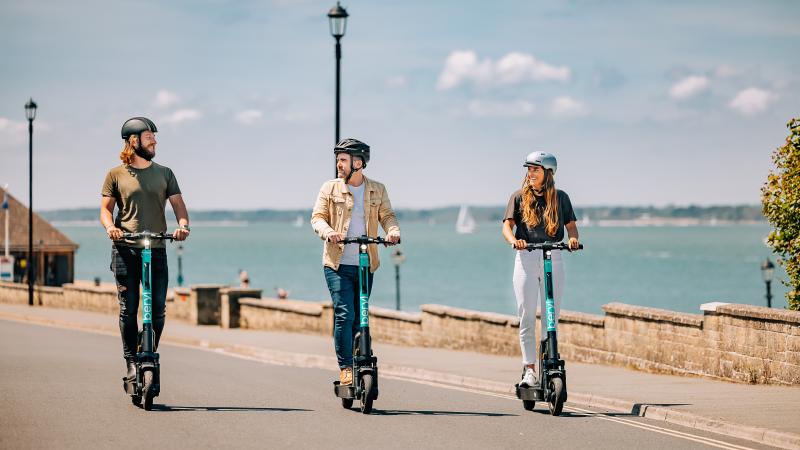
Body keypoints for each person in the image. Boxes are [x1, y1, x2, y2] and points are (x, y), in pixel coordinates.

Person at [100, 117, 190, 381]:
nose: (155, 141)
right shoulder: (115, 175)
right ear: (134, 140)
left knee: (158, 308)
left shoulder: (165, 173)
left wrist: (182, 226)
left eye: (154, 137)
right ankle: (130, 360)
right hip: (125, 248)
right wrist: (110, 228)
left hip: (157, 247)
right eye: (150, 136)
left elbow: (178, 207)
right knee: (129, 308)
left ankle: (148, 352)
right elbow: (106, 211)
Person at [310, 138, 400, 385]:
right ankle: (346, 367)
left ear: (358, 163)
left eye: (343, 160)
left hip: (365, 263)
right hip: (337, 263)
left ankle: (361, 358)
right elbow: (317, 217)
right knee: (344, 314)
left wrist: (392, 231)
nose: (338, 164)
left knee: (361, 315)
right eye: (338, 159)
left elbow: (388, 216)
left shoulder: (377, 189)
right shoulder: (329, 188)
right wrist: (329, 232)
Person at [501, 151, 580, 387]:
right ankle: (530, 370)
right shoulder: (518, 197)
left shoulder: (561, 198)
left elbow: (572, 227)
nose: (531, 173)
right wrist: (514, 240)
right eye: (529, 169)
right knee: (526, 316)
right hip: (525, 258)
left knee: (551, 317)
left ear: (548, 173)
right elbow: (507, 227)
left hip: (553, 256)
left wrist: (573, 239)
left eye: (535, 169)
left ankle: (549, 361)